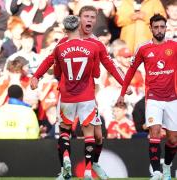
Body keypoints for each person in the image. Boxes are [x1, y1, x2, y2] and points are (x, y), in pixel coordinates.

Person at [31, 5, 132, 180]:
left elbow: (111, 66)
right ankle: (70, 171)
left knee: (98, 136)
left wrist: (124, 83)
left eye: (93, 17)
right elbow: (49, 60)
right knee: (80, 133)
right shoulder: (65, 41)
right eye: (86, 16)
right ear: (79, 20)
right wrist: (37, 76)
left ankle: (93, 164)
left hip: (87, 94)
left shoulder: (95, 43)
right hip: (79, 95)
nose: (90, 20)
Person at [31, 15, 101, 180]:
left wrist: (36, 76)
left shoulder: (59, 47)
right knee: (89, 134)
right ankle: (88, 171)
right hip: (87, 96)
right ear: (79, 27)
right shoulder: (92, 46)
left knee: (64, 131)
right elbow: (97, 72)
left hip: (67, 95)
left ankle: (66, 162)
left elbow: (54, 70)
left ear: (64, 30)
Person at [117, 14, 177, 180]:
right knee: (155, 131)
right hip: (153, 98)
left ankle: (167, 166)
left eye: (162, 27)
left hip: (172, 98)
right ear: (150, 28)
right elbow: (130, 71)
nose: (159, 30)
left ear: (166, 28)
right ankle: (156, 172)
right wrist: (122, 93)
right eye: (156, 27)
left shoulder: (174, 46)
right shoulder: (143, 48)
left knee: (173, 140)